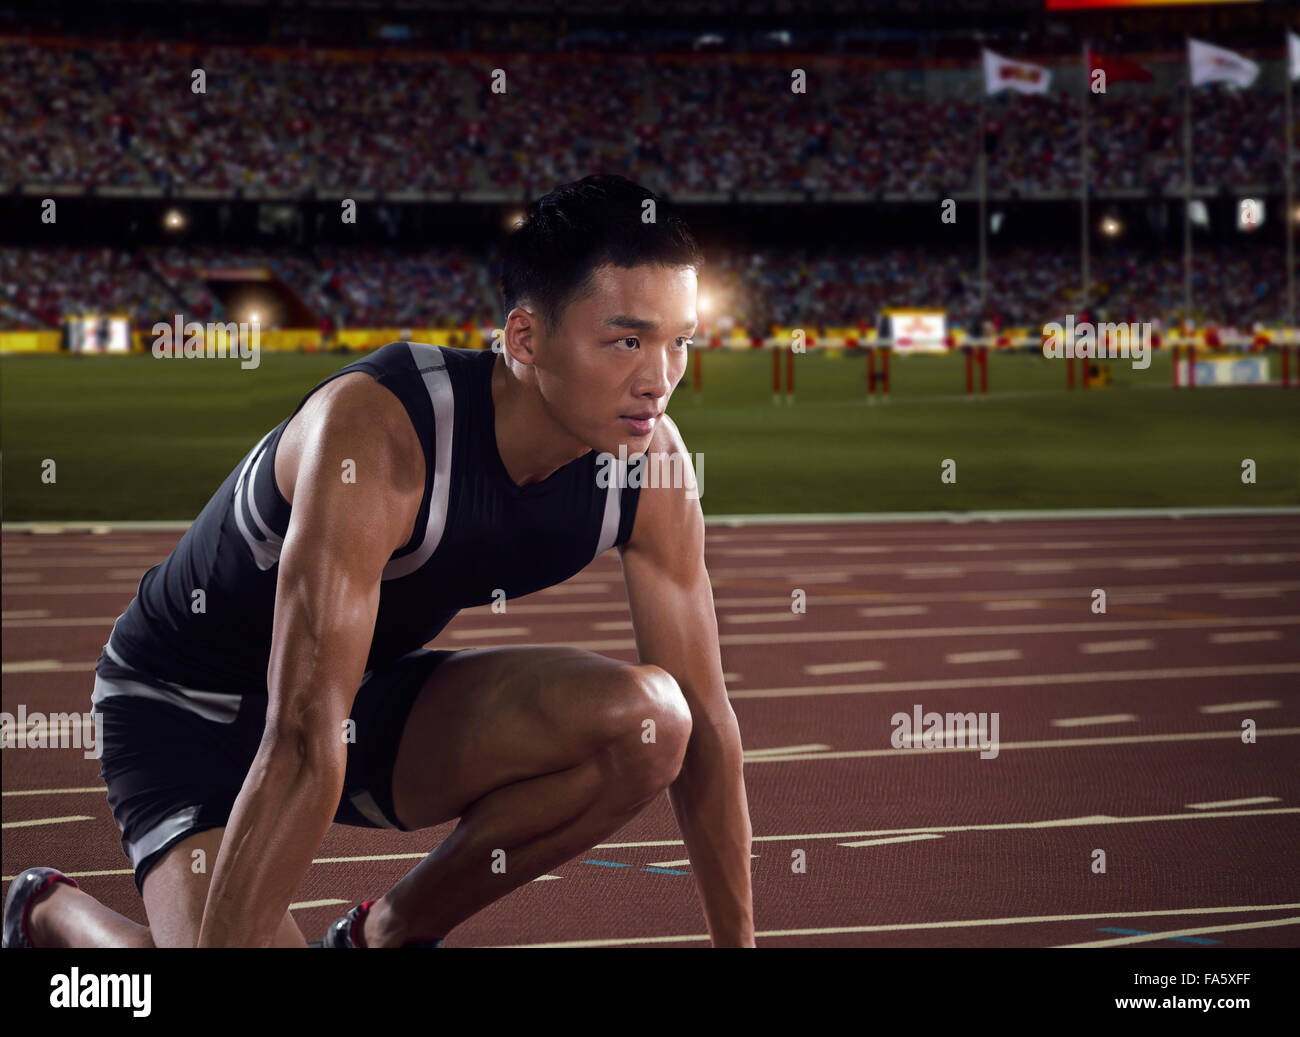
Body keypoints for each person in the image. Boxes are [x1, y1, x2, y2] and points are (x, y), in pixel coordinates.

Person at [3, 174, 755, 949]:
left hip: (356, 695)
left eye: (680, 342)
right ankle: (47, 916)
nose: (660, 379)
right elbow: (298, 732)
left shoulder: (650, 466)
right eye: (629, 340)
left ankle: (383, 935)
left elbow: (708, 729)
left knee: (656, 722)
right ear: (526, 338)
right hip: (183, 707)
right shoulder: (380, 433)